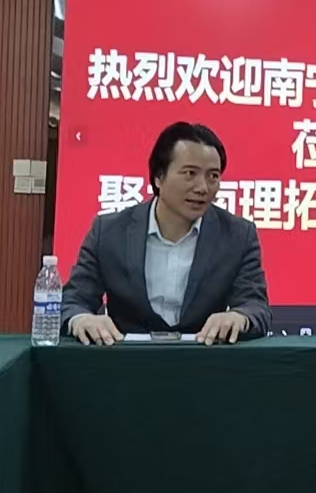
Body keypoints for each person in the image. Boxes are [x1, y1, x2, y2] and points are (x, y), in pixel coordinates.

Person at [62, 121, 271, 345]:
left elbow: (255, 307)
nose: (202, 188)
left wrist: (239, 317)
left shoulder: (238, 235)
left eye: (213, 176)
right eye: (190, 173)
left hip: (205, 359)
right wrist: (81, 318)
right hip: (126, 360)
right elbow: (73, 300)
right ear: (158, 177)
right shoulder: (109, 232)